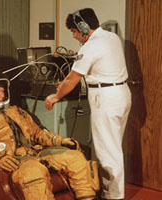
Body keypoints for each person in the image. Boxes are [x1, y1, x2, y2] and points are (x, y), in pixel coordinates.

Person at [0, 71, 100, 200]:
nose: (2, 95)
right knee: (34, 171)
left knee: (75, 158)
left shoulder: (16, 111)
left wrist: (60, 141)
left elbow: (37, 133)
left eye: (3, 91)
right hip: (15, 161)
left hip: (34, 152)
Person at [45, 8, 131, 200]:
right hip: (121, 93)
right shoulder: (112, 38)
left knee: (107, 150)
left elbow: (72, 79)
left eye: (74, 32)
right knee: (113, 146)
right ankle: (105, 189)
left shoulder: (90, 46)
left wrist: (55, 96)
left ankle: (113, 196)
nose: (75, 36)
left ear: (83, 27)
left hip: (105, 97)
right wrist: (66, 85)